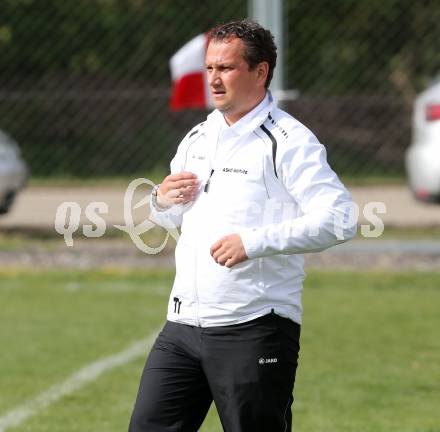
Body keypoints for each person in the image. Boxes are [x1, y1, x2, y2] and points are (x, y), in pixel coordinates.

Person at [129, 19, 356, 432]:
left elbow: (340, 219)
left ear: (260, 72)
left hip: (254, 329)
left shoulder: (289, 141)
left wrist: (252, 242)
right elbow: (170, 218)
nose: (214, 79)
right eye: (210, 68)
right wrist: (161, 201)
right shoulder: (196, 138)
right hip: (182, 327)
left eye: (226, 68)